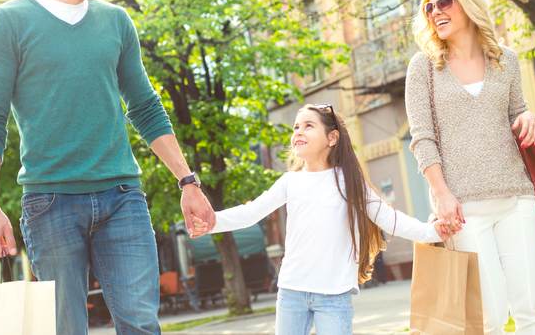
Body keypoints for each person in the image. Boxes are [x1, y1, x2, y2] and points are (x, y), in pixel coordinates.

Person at [0, 0, 215, 335]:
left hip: (122, 197)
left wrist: (188, 181)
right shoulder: (8, 22)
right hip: (50, 203)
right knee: (66, 329)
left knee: (140, 324)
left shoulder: (116, 22)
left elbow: (145, 105)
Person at [191, 104, 452, 334]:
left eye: (308, 126)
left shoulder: (348, 181)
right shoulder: (290, 181)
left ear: (332, 137)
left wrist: (432, 233)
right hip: (292, 292)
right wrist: (212, 221)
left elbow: (389, 218)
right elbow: (251, 213)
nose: (299, 132)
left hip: (334, 296)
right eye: (296, 127)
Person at [405, 0, 535, 334]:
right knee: (488, 317)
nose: (435, 11)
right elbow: (422, 138)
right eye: (429, 6)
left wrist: (528, 116)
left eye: (444, 2)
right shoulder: (423, 68)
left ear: (468, 6)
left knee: (532, 308)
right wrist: (442, 195)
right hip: (464, 209)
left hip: (517, 197)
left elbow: (518, 110)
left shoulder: (507, 60)